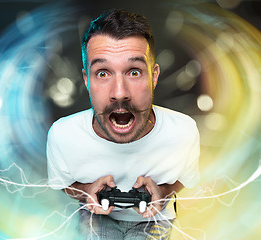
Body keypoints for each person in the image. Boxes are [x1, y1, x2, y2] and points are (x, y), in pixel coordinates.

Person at [47, 9, 200, 240]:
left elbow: (184, 178)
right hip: (95, 217)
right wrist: (87, 190)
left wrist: (164, 191)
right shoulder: (62, 134)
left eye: (134, 71)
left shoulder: (183, 131)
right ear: (86, 80)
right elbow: (63, 183)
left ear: (154, 76)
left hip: (156, 219)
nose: (119, 93)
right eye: (103, 73)